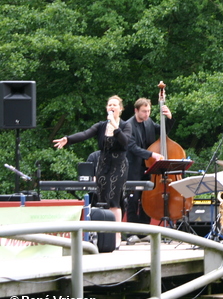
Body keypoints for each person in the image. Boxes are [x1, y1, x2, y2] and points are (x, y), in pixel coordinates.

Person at [53, 95, 132, 245]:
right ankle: (104, 237)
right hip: (103, 165)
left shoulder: (125, 125)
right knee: (102, 200)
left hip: (118, 166)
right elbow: (85, 134)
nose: (112, 107)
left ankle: (116, 238)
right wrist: (68, 139)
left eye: (115, 105)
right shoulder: (101, 126)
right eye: (109, 105)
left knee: (114, 201)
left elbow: (125, 142)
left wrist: (115, 127)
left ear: (120, 109)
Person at [124, 97, 174, 231]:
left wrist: (169, 118)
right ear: (136, 110)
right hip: (134, 168)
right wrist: (151, 154)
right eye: (144, 111)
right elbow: (132, 147)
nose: (147, 114)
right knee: (133, 201)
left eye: (149, 111)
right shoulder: (127, 125)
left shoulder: (149, 122)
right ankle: (132, 232)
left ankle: (145, 231)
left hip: (149, 168)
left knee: (147, 200)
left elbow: (163, 132)